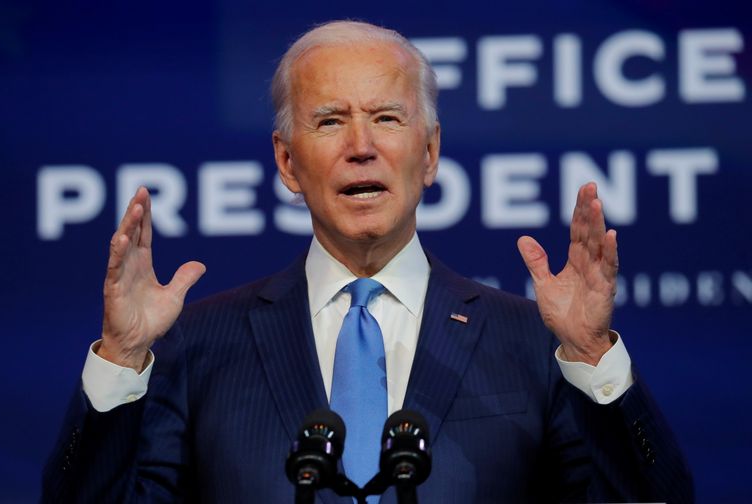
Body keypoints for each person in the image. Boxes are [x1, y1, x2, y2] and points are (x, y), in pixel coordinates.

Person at [42, 20, 692, 503]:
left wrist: (592, 360)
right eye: (329, 121)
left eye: (386, 117)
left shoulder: (534, 343)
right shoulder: (196, 345)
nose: (361, 147)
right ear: (288, 162)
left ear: (430, 154)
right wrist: (122, 360)